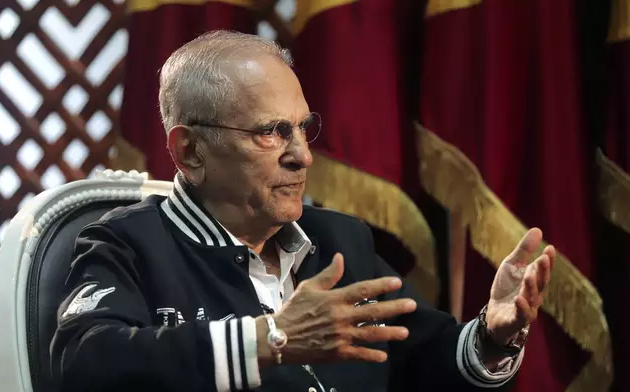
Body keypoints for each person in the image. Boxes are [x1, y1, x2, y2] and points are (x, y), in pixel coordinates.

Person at [51, 31, 555, 392]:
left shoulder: (341, 242)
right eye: (270, 132)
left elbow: (427, 356)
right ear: (190, 152)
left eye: (302, 127)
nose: (303, 155)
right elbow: (86, 364)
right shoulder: (128, 244)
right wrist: (272, 340)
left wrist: (492, 334)